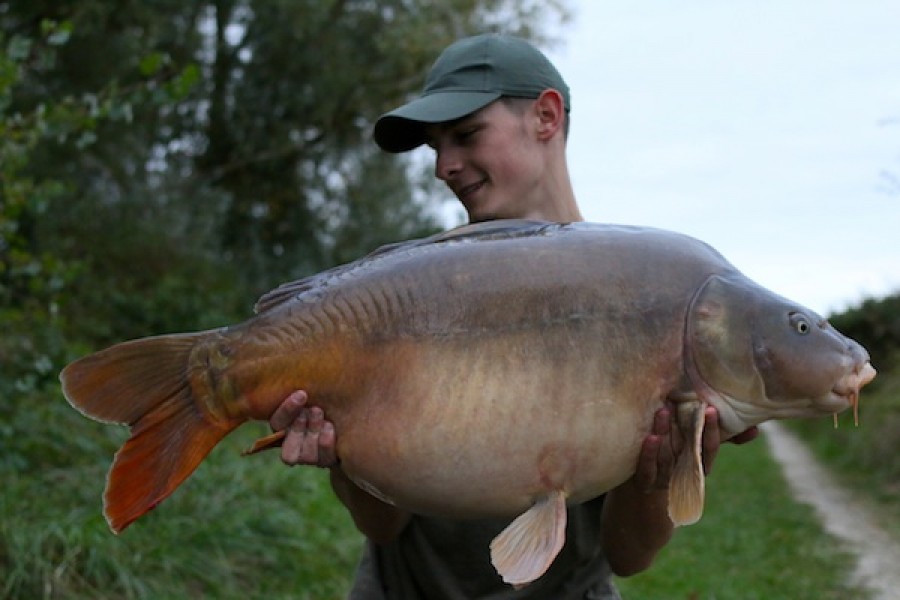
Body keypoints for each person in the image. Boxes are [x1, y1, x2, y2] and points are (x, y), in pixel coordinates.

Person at [268, 34, 758, 599]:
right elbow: (382, 525)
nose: (444, 167)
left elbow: (629, 556)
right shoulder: (406, 293)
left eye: (466, 135)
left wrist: (664, 468)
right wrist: (340, 456)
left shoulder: (638, 296)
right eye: (435, 147)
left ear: (546, 117)